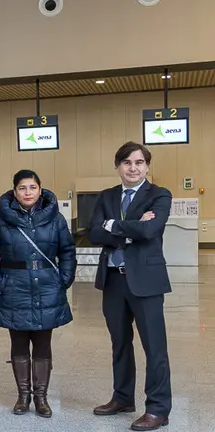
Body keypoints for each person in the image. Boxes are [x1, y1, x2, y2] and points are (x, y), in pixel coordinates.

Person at [88, 142, 172, 431]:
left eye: (138, 162)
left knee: (154, 347)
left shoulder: (159, 195)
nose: (133, 168)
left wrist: (114, 226)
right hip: (113, 280)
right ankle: (123, 397)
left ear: (147, 166)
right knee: (120, 344)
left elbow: (150, 230)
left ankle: (158, 408)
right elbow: (94, 232)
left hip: (146, 283)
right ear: (118, 166)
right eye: (127, 162)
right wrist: (130, 228)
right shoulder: (107, 196)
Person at [0, 169, 76, 418]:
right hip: (14, 288)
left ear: (40, 189)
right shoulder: (1, 221)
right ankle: (23, 396)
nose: (28, 192)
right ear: (14, 192)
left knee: (43, 345)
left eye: (32, 187)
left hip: (47, 287)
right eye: (22, 188)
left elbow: (67, 250)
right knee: (19, 344)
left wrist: (64, 279)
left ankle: (41, 398)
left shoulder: (56, 219)